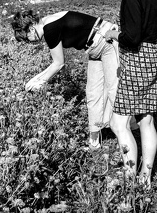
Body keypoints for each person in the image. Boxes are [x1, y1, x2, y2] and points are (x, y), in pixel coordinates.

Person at [104, 0, 157, 185]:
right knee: (145, 118)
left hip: (137, 58)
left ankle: (130, 177)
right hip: (152, 56)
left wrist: (113, 34)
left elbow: (131, 37)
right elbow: (155, 30)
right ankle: (145, 177)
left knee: (118, 123)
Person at [11, 10, 119, 148]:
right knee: (93, 92)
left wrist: (39, 82)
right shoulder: (48, 21)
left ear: (31, 28)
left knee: (113, 90)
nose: (29, 42)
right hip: (94, 46)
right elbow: (55, 65)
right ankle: (94, 140)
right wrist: (36, 79)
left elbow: (58, 64)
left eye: (27, 38)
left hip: (107, 40)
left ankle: (126, 131)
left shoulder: (50, 29)